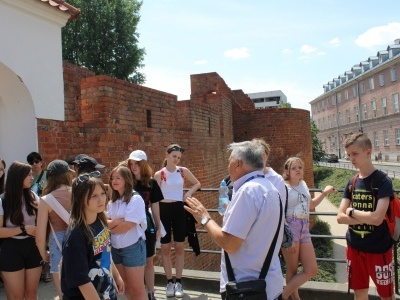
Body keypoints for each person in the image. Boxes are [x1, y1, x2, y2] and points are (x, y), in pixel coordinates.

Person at [184, 140, 284, 299]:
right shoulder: (271, 188)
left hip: (246, 289)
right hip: (268, 285)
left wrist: (204, 218)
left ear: (238, 163)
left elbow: (230, 244)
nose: (227, 165)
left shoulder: (247, 192)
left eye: (229, 160)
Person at [337, 133, 394, 300]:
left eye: (355, 154)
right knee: (359, 292)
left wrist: (352, 212)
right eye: (349, 155)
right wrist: (366, 217)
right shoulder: (351, 182)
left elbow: (377, 219)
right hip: (354, 247)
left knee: (386, 295)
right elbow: (339, 217)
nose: (351, 159)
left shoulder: (382, 181)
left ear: (368, 152)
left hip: (379, 248)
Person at [61, 171, 124, 299]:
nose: (101, 199)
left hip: (105, 291)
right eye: (94, 196)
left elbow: (106, 252)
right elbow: (81, 280)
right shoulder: (76, 235)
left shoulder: (100, 221)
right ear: (80, 199)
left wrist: (116, 276)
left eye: (102, 193)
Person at [281, 157, 336, 300]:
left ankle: (282, 296)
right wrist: (288, 238)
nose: (298, 170)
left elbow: (311, 205)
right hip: (290, 227)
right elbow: (279, 213)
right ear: (287, 171)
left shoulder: (303, 184)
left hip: (304, 228)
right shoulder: (282, 187)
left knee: (311, 269)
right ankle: (292, 298)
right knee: (292, 269)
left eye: (300, 167)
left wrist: (324, 192)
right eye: (294, 168)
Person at [154, 143, 201, 298]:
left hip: (179, 211)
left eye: (179, 157)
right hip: (164, 211)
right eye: (174, 156)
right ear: (167, 155)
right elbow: (154, 198)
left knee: (180, 247)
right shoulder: (159, 174)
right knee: (166, 249)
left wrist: (188, 194)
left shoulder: (183, 171)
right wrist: (157, 220)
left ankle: (179, 282)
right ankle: (169, 282)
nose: (176, 159)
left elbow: (197, 183)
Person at [0, 161, 42, 299]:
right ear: (18, 177)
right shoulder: (3, 200)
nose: (31, 177)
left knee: (31, 293)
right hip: (11, 249)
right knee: (16, 296)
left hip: (32, 247)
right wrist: (24, 229)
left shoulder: (32, 196)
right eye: (28, 175)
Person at [106, 165, 147, 300]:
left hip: (133, 247)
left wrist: (112, 224)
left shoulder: (135, 199)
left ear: (127, 180)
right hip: (116, 248)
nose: (114, 181)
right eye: (112, 178)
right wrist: (118, 222)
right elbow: (105, 223)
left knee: (138, 289)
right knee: (126, 287)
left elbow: (127, 226)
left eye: (118, 178)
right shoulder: (113, 201)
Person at [127, 150, 163, 300]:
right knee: (135, 262)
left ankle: (151, 292)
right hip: (129, 224)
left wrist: (159, 226)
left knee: (149, 260)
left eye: (137, 163)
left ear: (143, 164)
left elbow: (155, 206)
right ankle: (138, 292)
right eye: (131, 163)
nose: (133, 166)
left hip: (146, 223)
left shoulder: (151, 183)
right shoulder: (126, 181)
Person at [36, 159, 74, 299]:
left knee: (64, 295)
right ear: (67, 174)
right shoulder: (78, 192)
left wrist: (43, 254)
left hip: (57, 245)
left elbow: (40, 236)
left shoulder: (46, 200)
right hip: (80, 242)